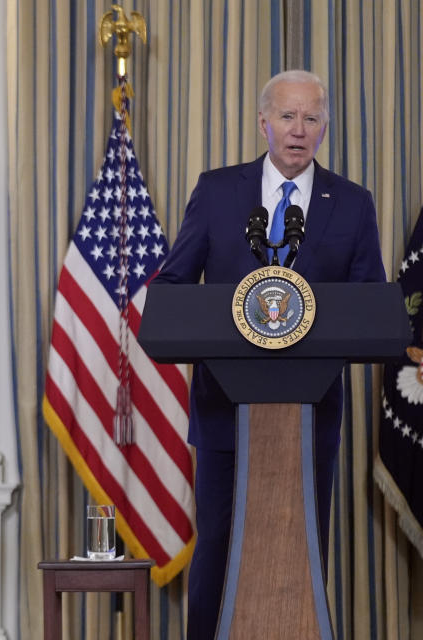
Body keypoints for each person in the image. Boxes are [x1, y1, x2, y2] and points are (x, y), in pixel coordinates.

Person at [152, 69, 386, 639]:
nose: (298, 129)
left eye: (311, 118)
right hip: (222, 410)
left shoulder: (352, 204)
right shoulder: (216, 191)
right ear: (264, 124)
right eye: (287, 116)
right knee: (219, 549)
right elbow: (174, 285)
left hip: (311, 414)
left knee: (302, 544)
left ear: (325, 130)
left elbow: (370, 305)